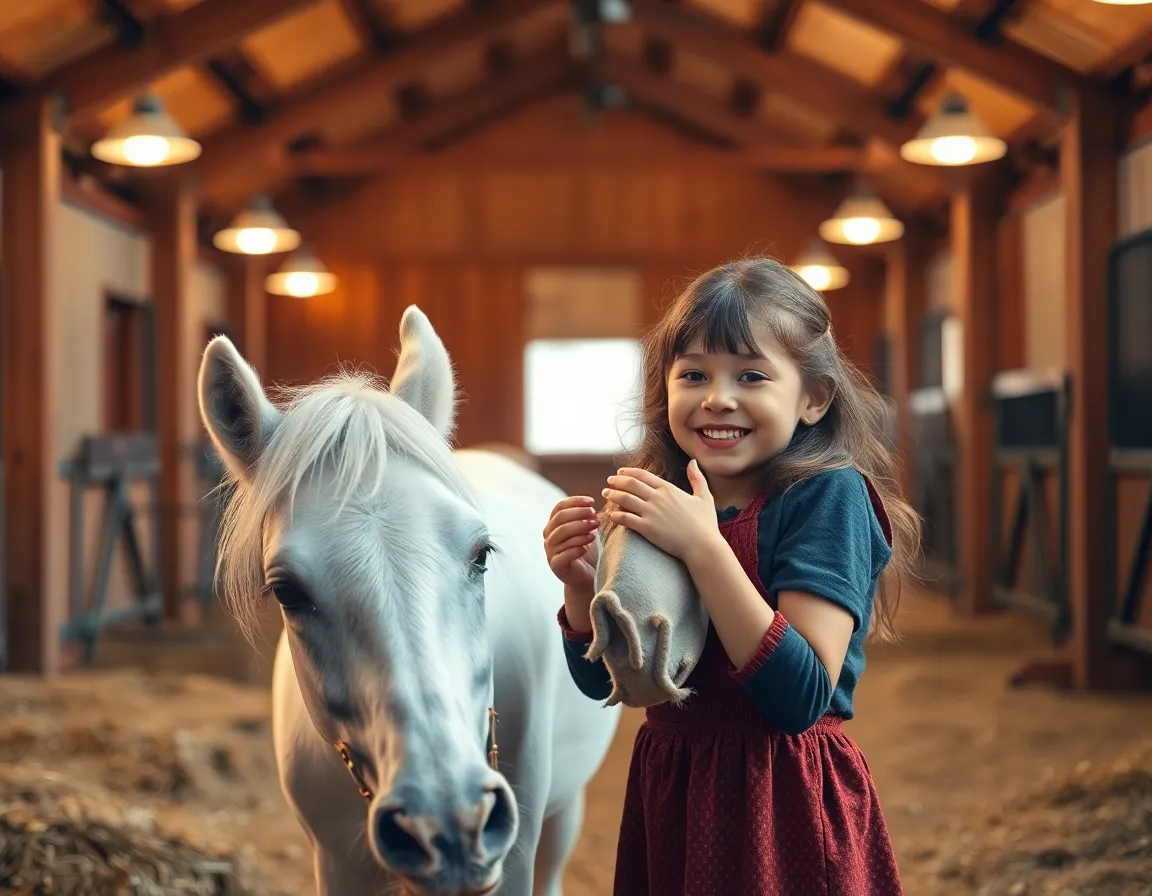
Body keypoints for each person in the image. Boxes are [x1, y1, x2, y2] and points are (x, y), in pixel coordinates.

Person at [541, 256, 918, 895]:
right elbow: (617, 683)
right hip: (675, 789)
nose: (718, 398)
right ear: (665, 390)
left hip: (780, 798)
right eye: (694, 374)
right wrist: (582, 591)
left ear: (813, 398)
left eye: (751, 375)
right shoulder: (662, 498)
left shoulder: (829, 499)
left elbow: (799, 697)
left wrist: (704, 549)